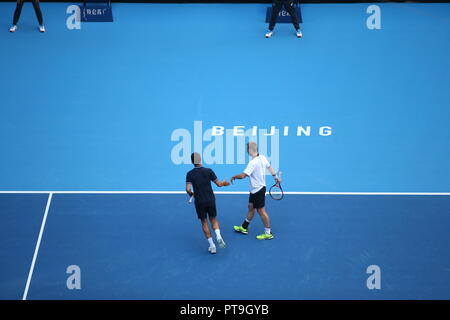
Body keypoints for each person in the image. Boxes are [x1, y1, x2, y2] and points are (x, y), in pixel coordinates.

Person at [231, 142, 281, 240]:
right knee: (250, 207)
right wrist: (275, 176)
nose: (246, 151)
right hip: (255, 189)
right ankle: (244, 227)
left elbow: (243, 175)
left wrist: (233, 177)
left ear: (250, 150)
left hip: (258, 189)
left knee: (261, 211)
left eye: (247, 149)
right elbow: (269, 166)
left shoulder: (252, 163)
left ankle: (268, 233)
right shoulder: (262, 157)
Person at [186, 152, 230, 254]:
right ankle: (218, 236)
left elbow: (187, 189)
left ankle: (212, 246)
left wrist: (191, 194)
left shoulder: (189, 174)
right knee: (213, 219)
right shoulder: (208, 171)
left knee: (204, 222)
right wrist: (224, 183)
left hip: (199, 202)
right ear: (200, 159)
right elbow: (219, 184)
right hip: (210, 200)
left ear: (192, 161)